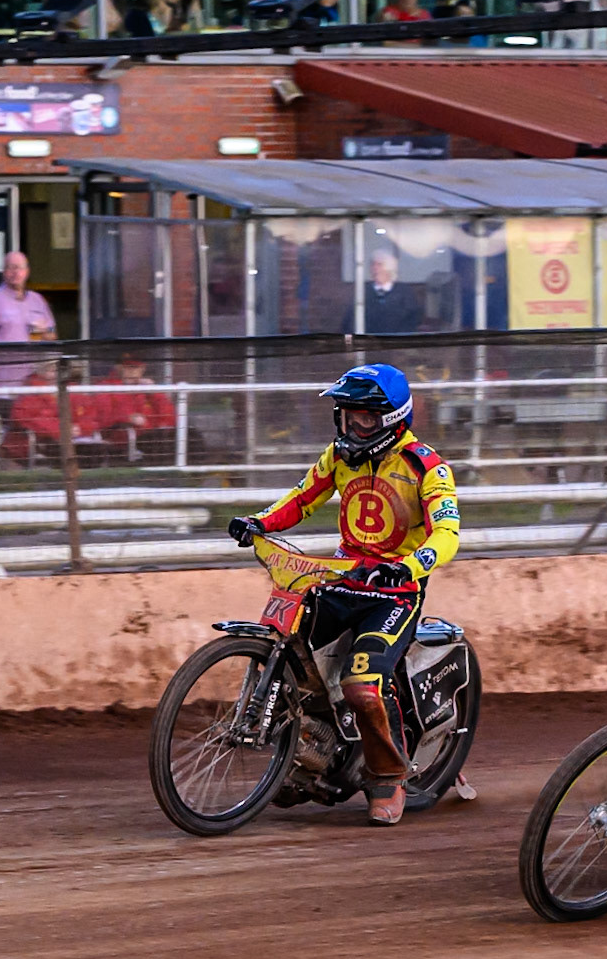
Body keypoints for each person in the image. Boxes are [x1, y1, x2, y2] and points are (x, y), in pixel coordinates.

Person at [227, 365, 461, 827]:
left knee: (362, 684)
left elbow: (447, 534)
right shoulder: (338, 456)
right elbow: (301, 498)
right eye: (347, 415)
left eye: (365, 418)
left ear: (391, 419)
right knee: (294, 654)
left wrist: (409, 565)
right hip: (342, 578)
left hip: (394, 593)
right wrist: (259, 522)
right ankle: (309, 753)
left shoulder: (427, 467)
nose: (353, 426)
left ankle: (387, 776)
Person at [0, 251, 57, 387]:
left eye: (20, 268)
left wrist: (44, 332)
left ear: (27, 271)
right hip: (1, 384)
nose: (15, 272)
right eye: (11, 267)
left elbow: (52, 339)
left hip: (33, 385)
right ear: (4, 271)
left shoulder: (37, 300)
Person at [97, 354, 178, 465]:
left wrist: (154, 392)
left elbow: (170, 417)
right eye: (128, 367)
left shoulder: (146, 388)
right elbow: (103, 420)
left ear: (143, 369)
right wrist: (128, 418)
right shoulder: (105, 387)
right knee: (160, 441)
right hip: (125, 437)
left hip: (154, 435)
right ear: (118, 368)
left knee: (187, 434)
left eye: (136, 368)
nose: (132, 372)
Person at [361, 249, 424, 334]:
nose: (375, 268)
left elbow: (414, 319)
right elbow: (351, 320)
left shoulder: (405, 292)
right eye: (373, 264)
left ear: (389, 269)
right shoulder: (364, 291)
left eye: (379, 264)